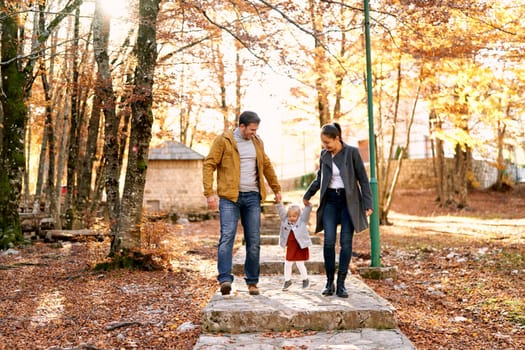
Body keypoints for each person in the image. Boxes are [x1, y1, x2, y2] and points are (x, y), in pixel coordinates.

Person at [202, 111, 282, 296]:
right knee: (227, 236)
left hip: (252, 197)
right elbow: (209, 164)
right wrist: (209, 193)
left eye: (256, 130)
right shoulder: (224, 141)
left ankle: (252, 282)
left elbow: (267, 166)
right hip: (230, 198)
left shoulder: (257, 142)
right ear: (242, 126)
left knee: (253, 240)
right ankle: (224, 279)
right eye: (251, 129)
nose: (254, 133)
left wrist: (276, 188)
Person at [303, 122, 373, 298]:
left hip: (349, 202)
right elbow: (320, 178)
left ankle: (341, 284)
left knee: (346, 242)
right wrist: (308, 194)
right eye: (323, 143)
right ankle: (329, 282)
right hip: (330, 202)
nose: (325, 146)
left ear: (337, 138)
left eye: (328, 142)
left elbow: (363, 180)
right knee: (328, 242)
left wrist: (368, 203)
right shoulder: (324, 155)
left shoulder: (352, 153)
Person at [276, 201, 313, 290]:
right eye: (289, 216)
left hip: (300, 246)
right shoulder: (285, 221)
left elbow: (307, 212)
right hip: (291, 247)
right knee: (288, 263)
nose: (291, 218)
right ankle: (287, 280)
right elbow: (281, 212)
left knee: (300, 263)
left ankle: (305, 279)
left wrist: (308, 205)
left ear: (299, 216)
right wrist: (278, 203)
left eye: (294, 216)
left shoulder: (302, 221)